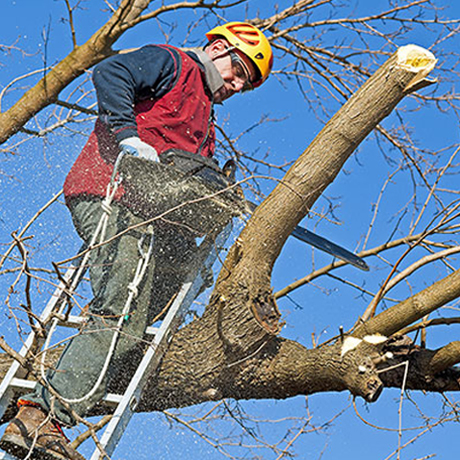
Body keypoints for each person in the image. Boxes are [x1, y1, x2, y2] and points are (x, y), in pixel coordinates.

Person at [0, 21, 273, 460]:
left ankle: (23, 402)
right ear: (219, 48)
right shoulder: (173, 64)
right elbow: (111, 73)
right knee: (119, 310)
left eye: (246, 84)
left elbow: (187, 177)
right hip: (110, 194)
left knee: (138, 324)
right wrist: (128, 135)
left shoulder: (205, 122)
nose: (238, 85)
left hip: (147, 220)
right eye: (238, 71)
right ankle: (40, 416)